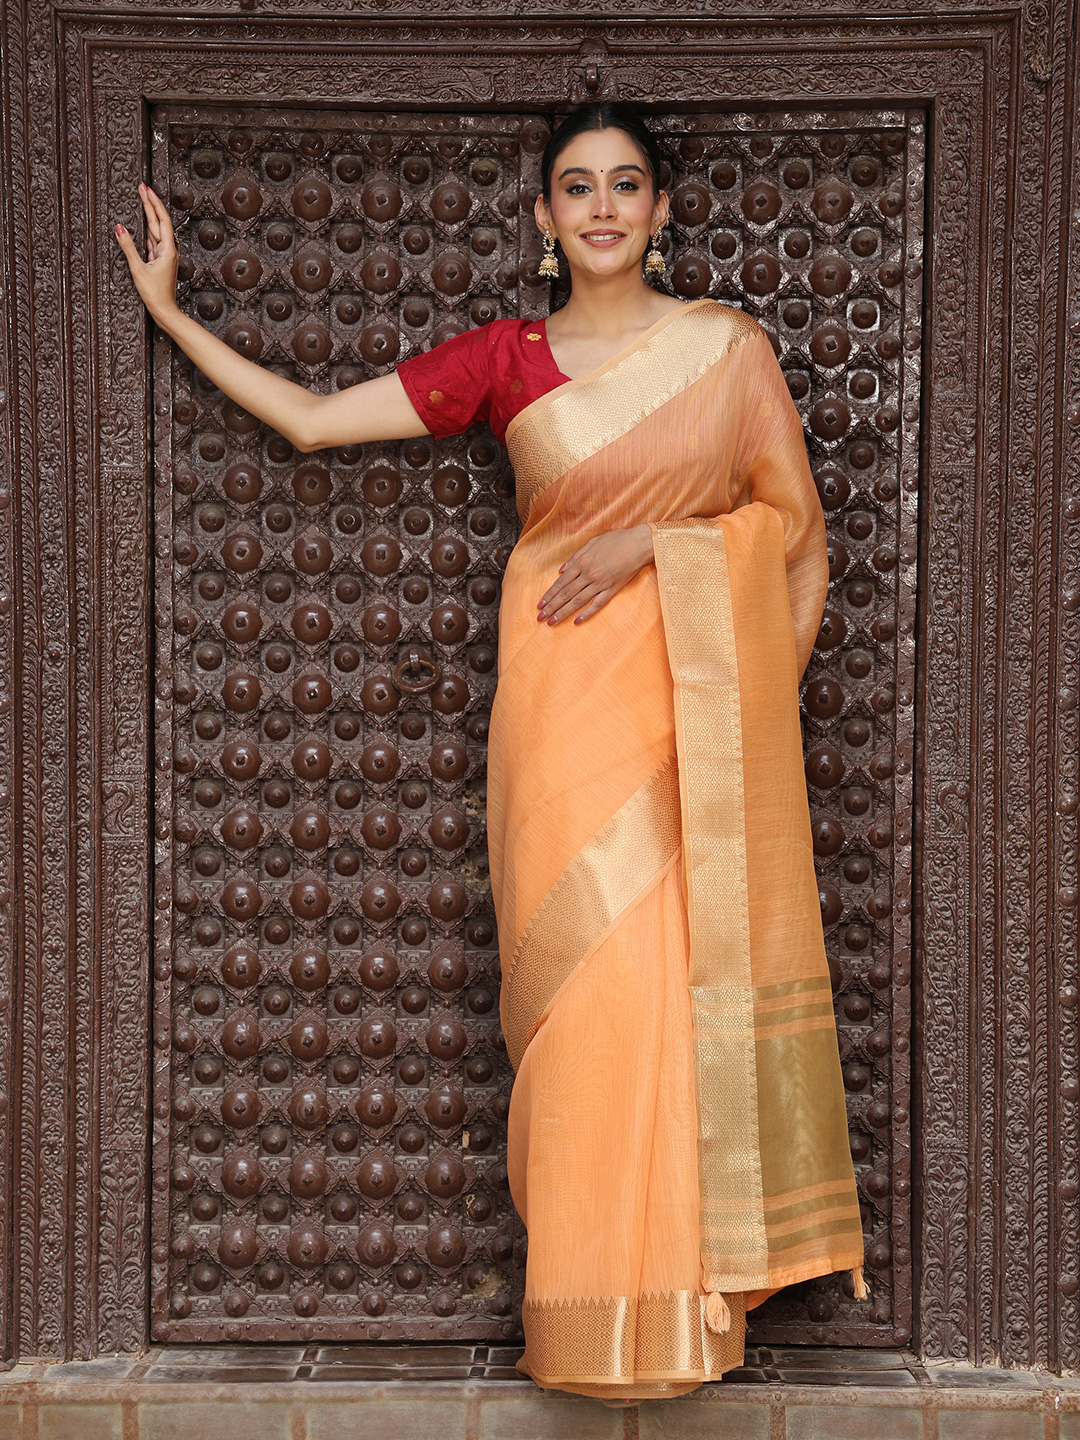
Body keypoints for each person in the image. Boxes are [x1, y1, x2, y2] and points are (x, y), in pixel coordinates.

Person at [116, 100, 867, 1406]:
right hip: (561, 715)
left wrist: (654, 544)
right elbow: (313, 421)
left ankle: (679, 1314)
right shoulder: (506, 361)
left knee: (666, 993)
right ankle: (586, 1319)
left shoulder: (728, 353)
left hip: (682, 714)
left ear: (661, 209)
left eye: (625, 184)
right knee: (581, 1010)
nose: (602, 208)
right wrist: (173, 316)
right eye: (577, 187)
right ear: (544, 216)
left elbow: (789, 532)